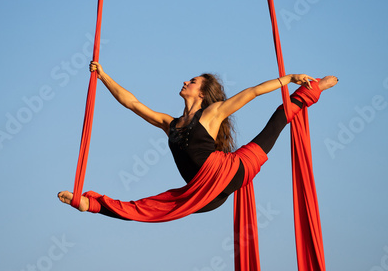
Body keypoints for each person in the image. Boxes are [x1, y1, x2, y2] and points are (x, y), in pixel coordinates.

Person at [58, 62, 338, 218]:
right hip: (203, 196)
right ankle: (89, 204)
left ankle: (315, 89)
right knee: (152, 207)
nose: (185, 82)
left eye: (191, 81)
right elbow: (132, 103)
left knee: (277, 121)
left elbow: (252, 92)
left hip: (232, 171)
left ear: (202, 93)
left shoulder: (213, 113)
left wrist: (289, 78)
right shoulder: (171, 124)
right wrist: (103, 75)